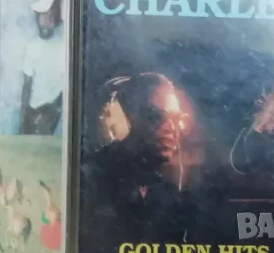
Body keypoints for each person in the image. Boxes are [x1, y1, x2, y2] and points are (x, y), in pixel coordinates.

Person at [80, 73, 195, 253]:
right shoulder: (90, 177)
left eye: (177, 119)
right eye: (156, 116)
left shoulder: (170, 190)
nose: (170, 128)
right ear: (128, 118)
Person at [19, 0, 64, 135]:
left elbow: (66, 84)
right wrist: (24, 116)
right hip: (32, 110)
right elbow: (27, 83)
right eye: (44, 14)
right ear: (37, 16)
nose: (48, 19)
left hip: (50, 111)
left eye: (52, 15)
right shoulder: (32, 45)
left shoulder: (63, 46)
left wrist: (55, 110)